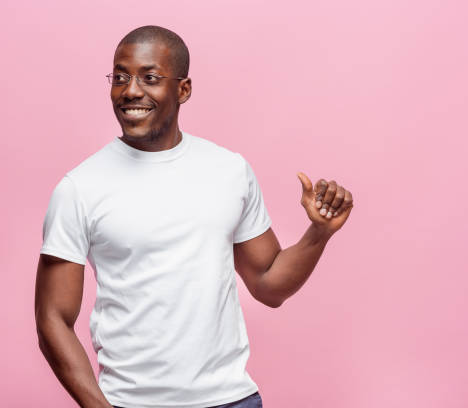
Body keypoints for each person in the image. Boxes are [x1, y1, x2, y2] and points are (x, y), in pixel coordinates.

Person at [34, 25, 354, 408]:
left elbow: (269, 286)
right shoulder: (80, 188)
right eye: (120, 77)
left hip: (231, 400)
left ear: (183, 89)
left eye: (149, 78)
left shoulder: (229, 171)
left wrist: (318, 234)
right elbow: (52, 317)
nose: (131, 90)